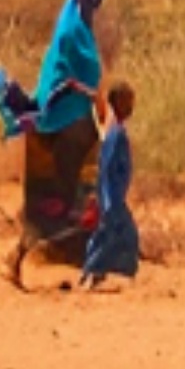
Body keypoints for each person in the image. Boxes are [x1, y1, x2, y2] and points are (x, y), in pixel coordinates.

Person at [0, 0, 109, 289]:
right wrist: (97, 99)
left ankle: (87, 265)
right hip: (67, 127)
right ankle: (84, 265)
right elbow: (76, 79)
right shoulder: (73, 33)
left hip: (67, 126)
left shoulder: (73, 28)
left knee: (72, 197)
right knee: (75, 195)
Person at [79, 80, 141, 291]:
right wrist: (107, 199)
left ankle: (94, 274)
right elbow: (106, 169)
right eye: (127, 101)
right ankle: (92, 274)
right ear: (118, 104)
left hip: (113, 196)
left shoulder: (116, 131)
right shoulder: (116, 134)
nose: (132, 106)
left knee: (111, 236)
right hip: (111, 197)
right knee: (118, 235)